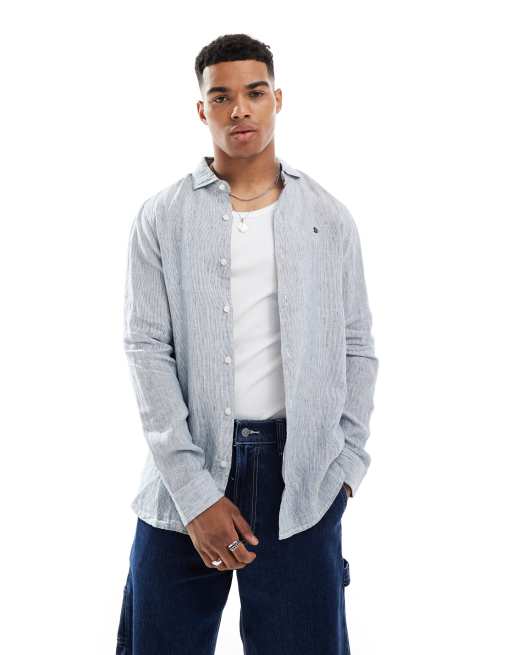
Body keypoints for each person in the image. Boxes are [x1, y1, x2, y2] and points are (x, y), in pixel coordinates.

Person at [116, 32, 379, 655]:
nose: (240, 109)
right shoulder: (162, 217)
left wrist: (345, 469)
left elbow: (357, 346)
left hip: (303, 478)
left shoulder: (327, 217)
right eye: (222, 97)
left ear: (277, 99)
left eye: (255, 93)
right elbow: (147, 349)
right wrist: (194, 493)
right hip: (186, 467)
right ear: (201, 109)